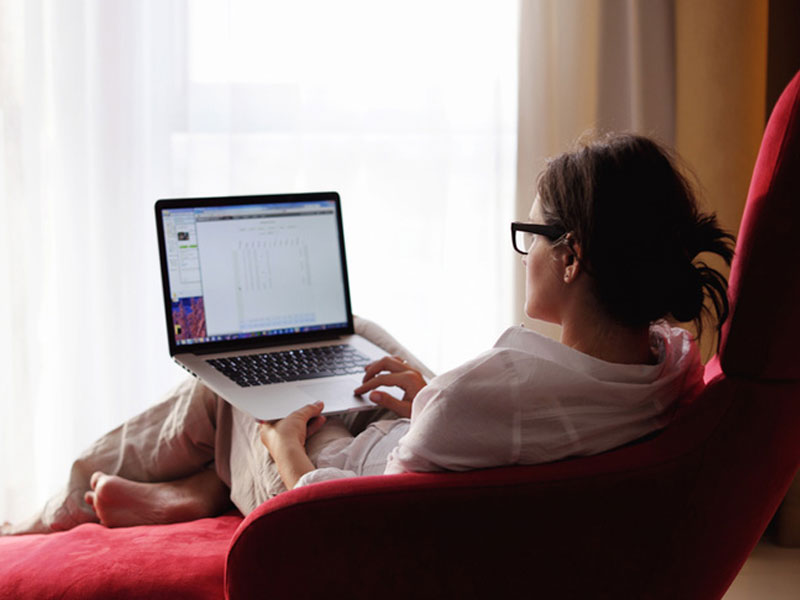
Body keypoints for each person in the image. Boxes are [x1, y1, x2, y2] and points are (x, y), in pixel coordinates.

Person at [1, 132, 735, 535]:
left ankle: (51, 513)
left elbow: (332, 517)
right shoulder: (668, 361)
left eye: (532, 234)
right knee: (349, 332)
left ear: (572, 256)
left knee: (233, 374)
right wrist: (427, 398)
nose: (526, 253)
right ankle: (198, 487)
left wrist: (283, 444)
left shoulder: (487, 396)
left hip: (335, 487)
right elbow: (490, 429)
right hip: (419, 446)